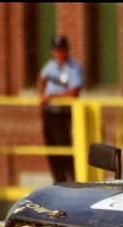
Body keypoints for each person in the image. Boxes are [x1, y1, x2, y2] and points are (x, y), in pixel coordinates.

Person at [37, 34, 83, 182]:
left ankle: (72, 180)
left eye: (62, 50)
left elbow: (74, 92)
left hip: (64, 113)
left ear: (67, 50)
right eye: (57, 50)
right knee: (51, 148)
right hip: (50, 113)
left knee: (65, 147)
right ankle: (58, 180)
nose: (59, 54)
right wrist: (41, 95)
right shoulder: (50, 66)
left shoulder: (73, 67)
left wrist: (53, 97)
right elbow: (41, 79)